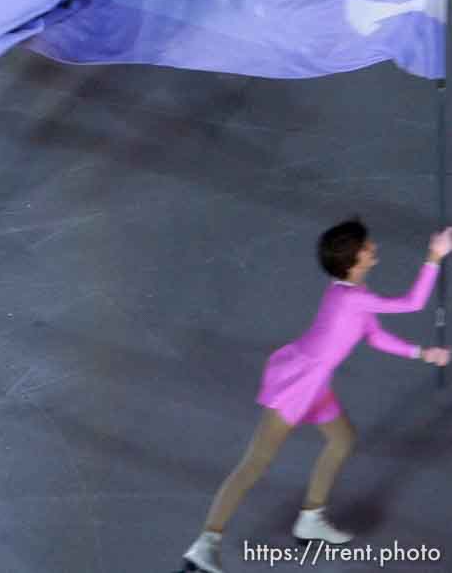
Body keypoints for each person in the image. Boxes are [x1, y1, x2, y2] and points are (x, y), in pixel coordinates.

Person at [182, 220, 452, 573]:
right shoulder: (353, 298)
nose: (372, 246)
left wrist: (421, 353)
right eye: (366, 245)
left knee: (342, 439)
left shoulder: (350, 294)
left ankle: (310, 519)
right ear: (353, 261)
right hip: (298, 383)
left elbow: (373, 335)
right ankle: (205, 546)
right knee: (257, 461)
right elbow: (412, 303)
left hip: (314, 381)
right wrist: (435, 256)